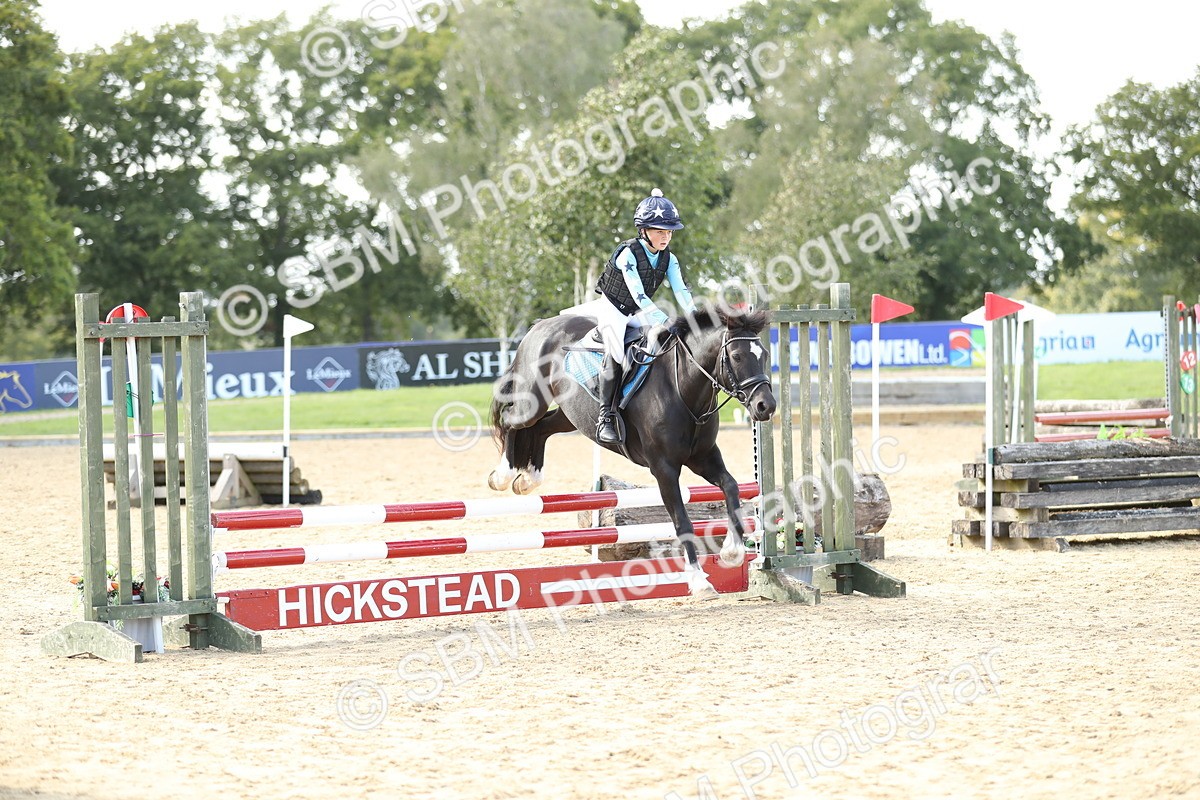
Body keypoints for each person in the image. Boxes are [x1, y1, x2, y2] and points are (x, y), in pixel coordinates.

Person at [584, 188, 698, 444]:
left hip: (636, 311)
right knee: (615, 351)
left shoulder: (670, 259)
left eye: (669, 231)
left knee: (662, 341)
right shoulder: (628, 254)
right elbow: (638, 294)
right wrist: (659, 317)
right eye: (659, 231)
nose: (665, 236)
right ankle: (606, 416)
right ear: (643, 230)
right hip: (612, 308)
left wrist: (695, 319)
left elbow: (681, 291)